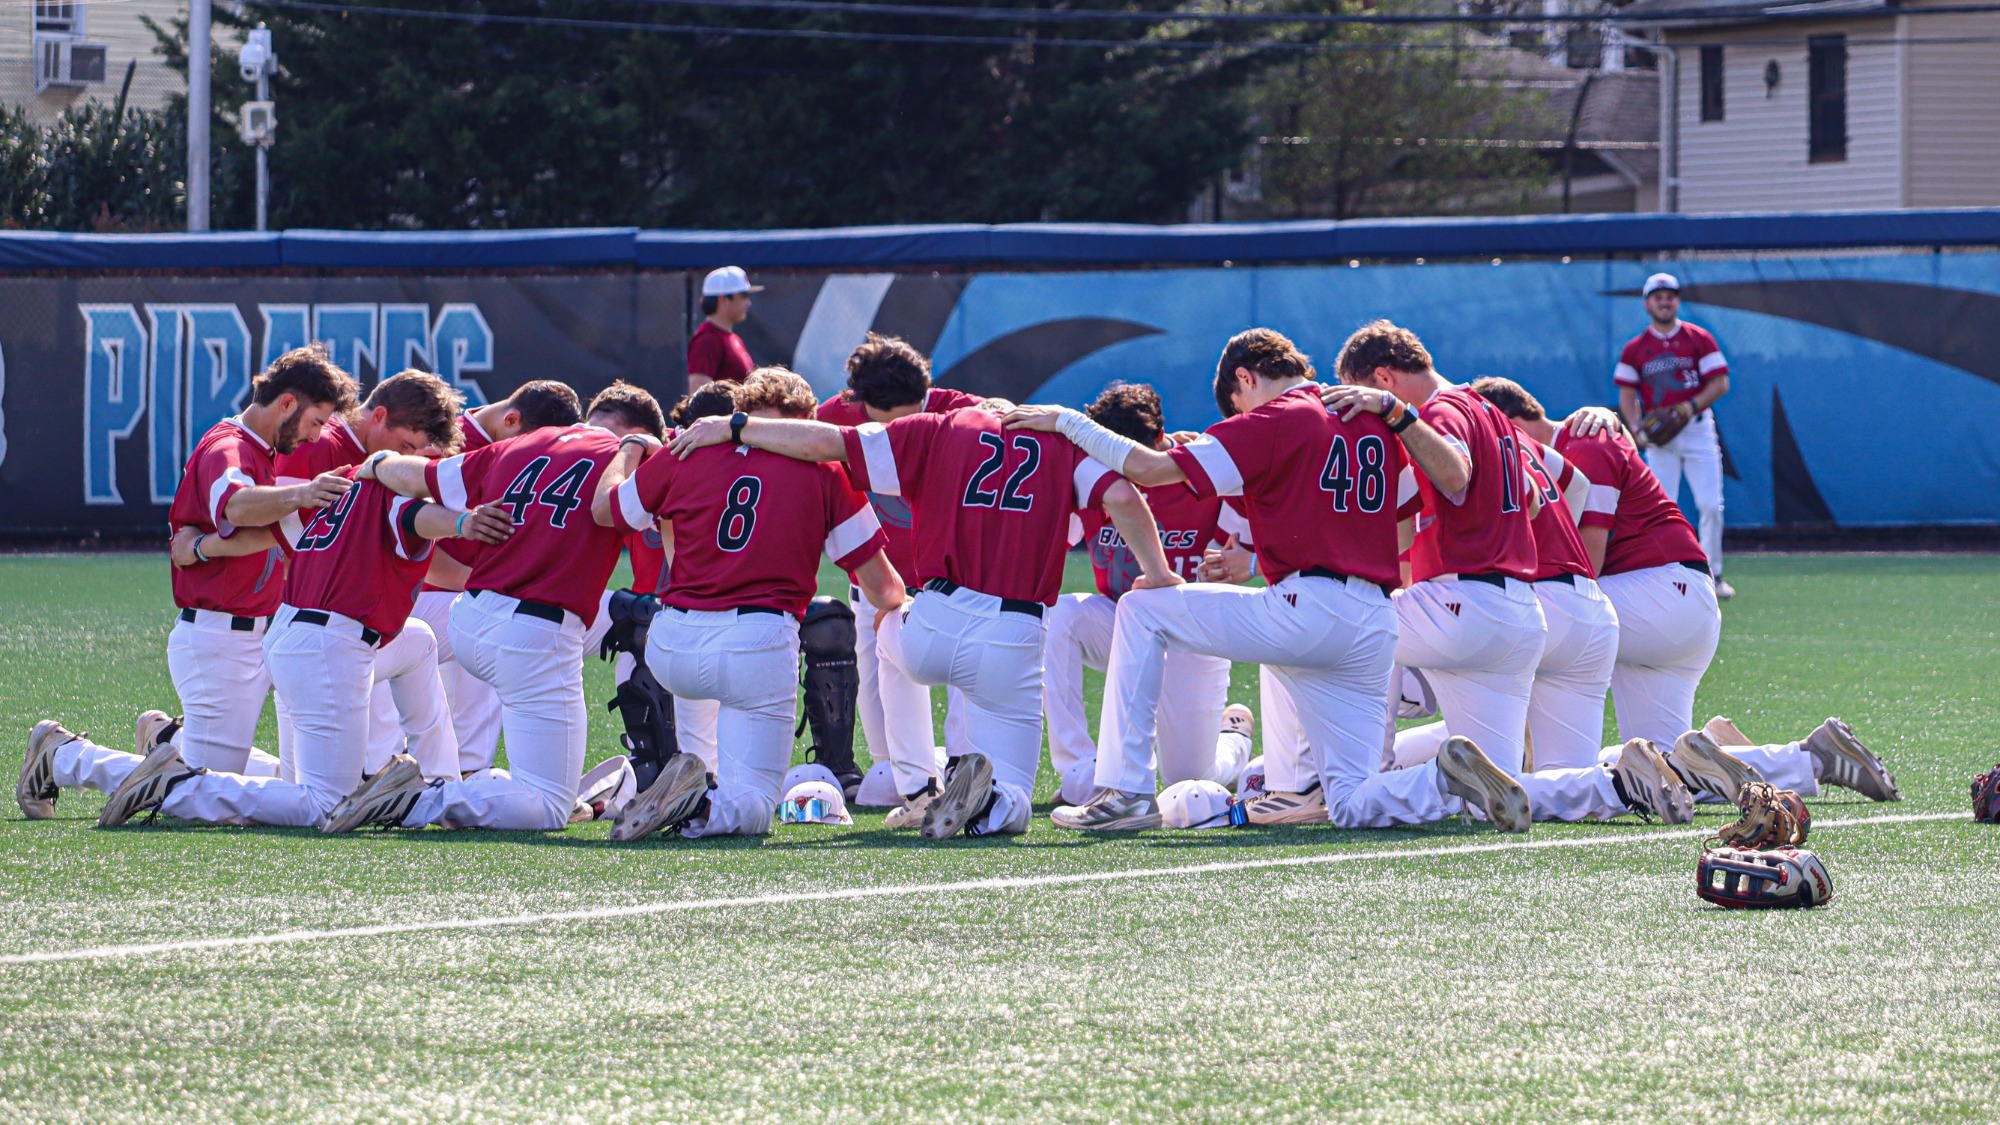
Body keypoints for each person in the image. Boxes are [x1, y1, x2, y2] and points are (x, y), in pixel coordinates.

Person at [1018, 328, 1530, 833]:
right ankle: (1439, 780)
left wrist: (1067, 422)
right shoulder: (1366, 416)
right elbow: (1403, 513)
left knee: (1141, 608)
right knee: (1348, 799)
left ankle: (1125, 792)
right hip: (1375, 619)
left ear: (1245, 377)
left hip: (1305, 608)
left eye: (1238, 404)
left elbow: (1149, 470)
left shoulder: (1274, 417)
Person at [665, 373, 1177, 841]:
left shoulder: (939, 427)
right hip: (1015, 632)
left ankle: (917, 783)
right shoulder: (1060, 444)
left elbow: (827, 442)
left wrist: (736, 428)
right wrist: (1156, 574)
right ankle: (993, 797)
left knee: (883, 619)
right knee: (1019, 794)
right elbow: (1126, 499)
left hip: (935, 618)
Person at [41, 385, 515, 830]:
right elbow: (411, 515)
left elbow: (284, 531)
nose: (422, 465)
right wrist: (464, 521)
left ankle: (441, 784)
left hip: (295, 634)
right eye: (415, 453)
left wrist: (204, 547)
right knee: (323, 803)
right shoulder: (366, 479)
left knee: (418, 641)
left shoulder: (348, 478)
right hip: (300, 641)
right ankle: (157, 776)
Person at [320, 385, 670, 832]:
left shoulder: (518, 443)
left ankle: (459, 776)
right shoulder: (626, 456)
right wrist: (636, 452)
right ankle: (420, 799)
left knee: (629, 617)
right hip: (535, 632)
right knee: (548, 806)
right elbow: (615, 511)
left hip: (473, 616)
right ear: (639, 435)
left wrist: (379, 462)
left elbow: (420, 477)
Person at [594, 367, 906, 840]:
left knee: (705, 718)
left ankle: (683, 777)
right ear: (807, 421)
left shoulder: (689, 450)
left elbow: (607, 510)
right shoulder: (822, 469)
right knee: (755, 807)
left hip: (673, 642)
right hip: (755, 643)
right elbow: (883, 590)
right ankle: (700, 802)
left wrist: (631, 446)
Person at [1042, 383, 1252, 806]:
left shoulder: (1206, 472)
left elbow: (1251, 550)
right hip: (1121, 626)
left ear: (1158, 444)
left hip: (1194, 638)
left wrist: (1242, 557)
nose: (1125, 475)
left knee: (1189, 780)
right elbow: (1046, 541)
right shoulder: (1092, 476)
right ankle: (1080, 767)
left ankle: (1234, 739)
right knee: (1060, 614)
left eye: (1134, 463)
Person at [815, 334, 984, 812]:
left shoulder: (963, 413)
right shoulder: (837, 414)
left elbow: (1011, 417)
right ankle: (904, 776)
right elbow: (794, 437)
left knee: (966, 671)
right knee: (874, 675)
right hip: (876, 570)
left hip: (948, 572)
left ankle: (962, 763)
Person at [410, 380, 587, 778]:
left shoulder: (514, 441)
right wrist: (494, 582)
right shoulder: (445, 443)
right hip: (424, 600)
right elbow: (414, 541)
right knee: (501, 622)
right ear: (510, 420)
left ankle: (463, 778)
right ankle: (458, 779)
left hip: (459, 600)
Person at [1615, 272, 1734, 599]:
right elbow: (1626, 393)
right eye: (1658, 296)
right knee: (1660, 508)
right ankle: (1663, 573)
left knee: (1710, 505)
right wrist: (1636, 428)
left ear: (1677, 301)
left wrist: (1687, 407)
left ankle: (1713, 574)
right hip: (1660, 440)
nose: (1664, 301)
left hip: (1696, 430)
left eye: (1670, 295)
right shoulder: (1636, 348)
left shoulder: (1698, 338)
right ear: (1647, 303)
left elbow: (1720, 383)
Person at [687, 266, 761, 393]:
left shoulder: (733, 338)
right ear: (723, 299)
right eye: (743, 296)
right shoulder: (707, 340)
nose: (748, 303)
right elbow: (698, 399)